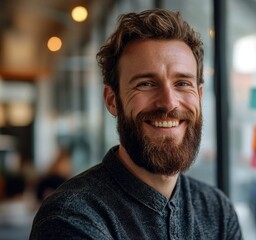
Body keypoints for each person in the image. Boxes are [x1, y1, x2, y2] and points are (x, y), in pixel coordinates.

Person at [30, 8, 243, 239]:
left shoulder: (217, 211)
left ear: (200, 96)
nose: (169, 103)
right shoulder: (70, 216)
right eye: (146, 84)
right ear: (113, 100)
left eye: (182, 83)